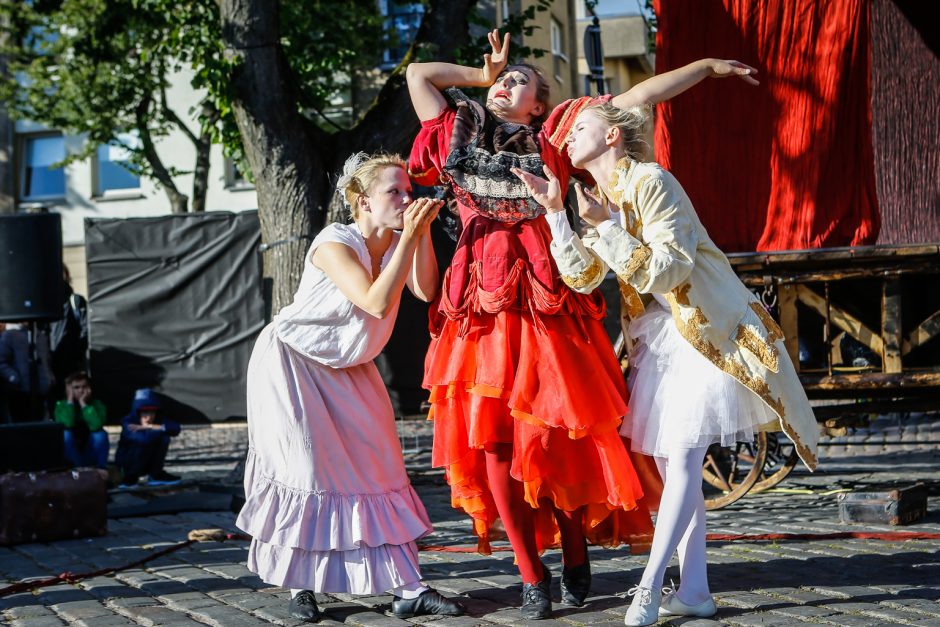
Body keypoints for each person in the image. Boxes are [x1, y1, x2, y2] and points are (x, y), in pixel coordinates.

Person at [405, 29, 760, 620]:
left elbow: (635, 99)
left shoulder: (553, 139)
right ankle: (528, 572)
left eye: (520, 80)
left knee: (560, 432)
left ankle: (574, 553)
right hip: (480, 307)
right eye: (503, 78)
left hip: (548, 293)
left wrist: (703, 64)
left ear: (541, 105)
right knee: (492, 443)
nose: (505, 84)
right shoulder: (454, 129)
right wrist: (481, 72)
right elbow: (418, 75)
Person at [515, 101, 819, 626]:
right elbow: (583, 277)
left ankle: (651, 586)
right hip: (659, 341)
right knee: (671, 468)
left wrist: (605, 227)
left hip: (705, 330)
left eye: (578, 127)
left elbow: (668, 269)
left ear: (612, 136)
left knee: (679, 461)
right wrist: (555, 214)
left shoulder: (652, 180)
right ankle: (695, 591)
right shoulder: (597, 198)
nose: (566, 138)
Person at [235, 153, 465, 623]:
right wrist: (408, 240)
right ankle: (301, 584)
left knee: (378, 467)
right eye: (394, 192)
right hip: (292, 363)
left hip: (350, 365)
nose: (407, 198)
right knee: (308, 471)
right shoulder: (333, 242)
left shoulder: (401, 238)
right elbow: (376, 303)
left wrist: (416, 235)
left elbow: (425, 289)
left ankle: (408, 588)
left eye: (408, 190)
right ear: (362, 202)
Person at [115, 388, 181, 487]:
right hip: (127, 466)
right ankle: (130, 478)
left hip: (146, 464)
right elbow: (144, 440)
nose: (148, 417)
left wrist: (150, 426)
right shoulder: (128, 422)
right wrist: (161, 429)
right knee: (148, 441)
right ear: (137, 412)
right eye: (144, 412)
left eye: (152, 412)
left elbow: (176, 428)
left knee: (165, 438)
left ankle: (155, 475)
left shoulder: (158, 419)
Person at [53, 371, 110, 469]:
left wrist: (83, 404)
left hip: (90, 453)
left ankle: (101, 470)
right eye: (76, 387)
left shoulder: (97, 404)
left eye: (84, 387)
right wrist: (70, 401)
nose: (81, 390)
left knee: (100, 435)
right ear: (68, 389)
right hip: (72, 457)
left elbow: (96, 426)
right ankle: (75, 470)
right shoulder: (61, 406)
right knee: (65, 434)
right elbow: (67, 424)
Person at [0, 322, 55, 421]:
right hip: (20, 392)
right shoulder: (9, 335)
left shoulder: (40, 336)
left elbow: (46, 360)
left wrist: (49, 378)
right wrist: (14, 378)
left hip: (40, 390)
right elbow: (1, 362)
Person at [49, 265, 89, 396]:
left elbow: (86, 329)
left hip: (71, 367)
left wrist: (76, 354)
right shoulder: (45, 302)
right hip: (50, 365)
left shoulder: (75, 301)